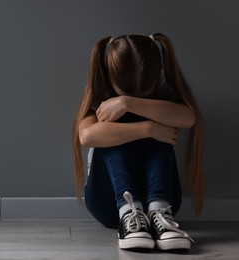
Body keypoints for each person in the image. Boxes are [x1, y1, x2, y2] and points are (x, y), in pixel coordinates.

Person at [72, 33, 204, 251]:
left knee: (162, 114)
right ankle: (129, 212)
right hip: (108, 205)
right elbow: (87, 136)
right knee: (113, 127)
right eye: (126, 95)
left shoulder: (164, 96)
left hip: (163, 201)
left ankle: (159, 211)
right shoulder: (100, 99)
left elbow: (188, 118)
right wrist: (149, 129)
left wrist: (127, 102)